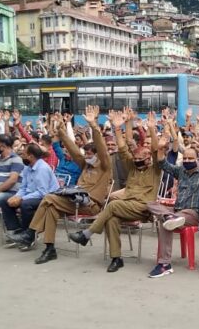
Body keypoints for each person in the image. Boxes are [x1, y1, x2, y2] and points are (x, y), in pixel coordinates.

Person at [12, 107, 112, 263]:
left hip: (91, 205)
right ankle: (49, 249)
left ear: (98, 155)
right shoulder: (85, 165)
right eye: (86, 154)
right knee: (51, 207)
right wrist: (61, 129)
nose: (87, 157)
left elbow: (103, 151)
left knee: (49, 198)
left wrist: (93, 125)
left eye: (91, 154)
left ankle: (30, 233)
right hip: (75, 200)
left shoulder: (105, 166)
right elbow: (73, 151)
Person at [67, 110, 161, 273]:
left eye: (142, 159)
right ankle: (116, 258)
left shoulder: (155, 170)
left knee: (113, 205)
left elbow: (154, 149)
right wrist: (118, 128)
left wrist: (151, 129)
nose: (138, 161)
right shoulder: (132, 167)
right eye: (136, 159)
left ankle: (87, 234)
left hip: (144, 207)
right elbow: (123, 149)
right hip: (127, 205)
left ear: (149, 159)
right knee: (111, 220)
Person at [147, 128, 199, 277]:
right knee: (149, 203)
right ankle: (169, 218)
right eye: (185, 159)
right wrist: (161, 148)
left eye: (190, 159)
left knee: (165, 223)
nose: (187, 161)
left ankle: (163, 264)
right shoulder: (180, 171)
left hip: (195, 213)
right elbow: (163, 164)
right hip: (177, 212)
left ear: (197, 160)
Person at [0, 143, 59, 245]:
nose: (21, 156)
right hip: (33, 195)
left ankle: (28, 236)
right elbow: (23, 187)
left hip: (48, 198)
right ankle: (16, 231)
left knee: (25, 204)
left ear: (31, 156)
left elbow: (43, 192)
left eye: (23, 154)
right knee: (5, 201)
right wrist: (17, 196)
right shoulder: (28, 167)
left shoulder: (42, 169)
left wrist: (22, 199)